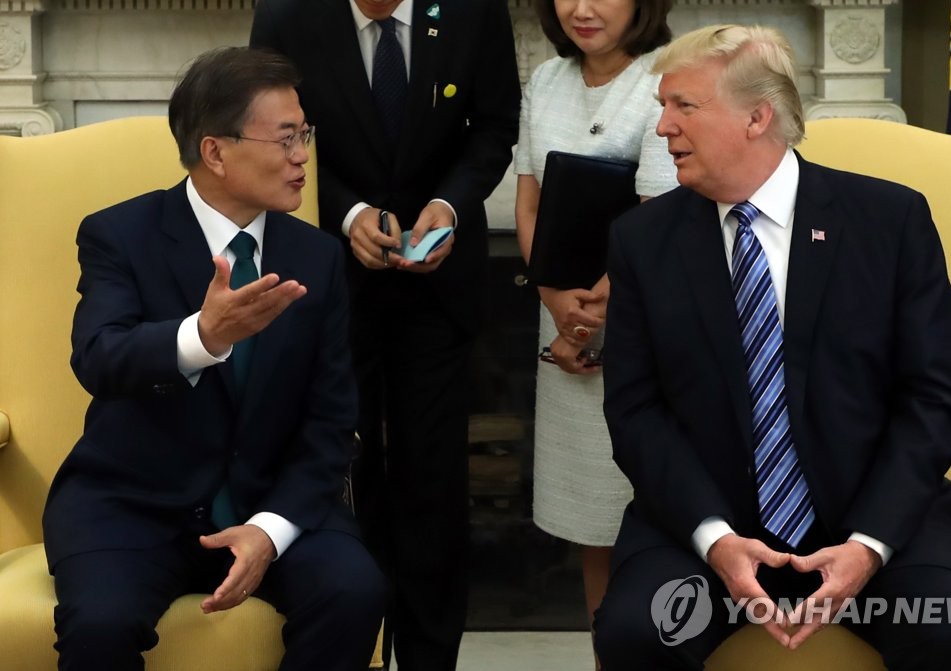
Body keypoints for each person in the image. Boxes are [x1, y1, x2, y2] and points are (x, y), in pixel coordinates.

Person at [593, 24, 951, 670]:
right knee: (637, 632)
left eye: (683, 106)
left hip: (875, 520)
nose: (663, 126)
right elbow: (635, 411)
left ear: (757, 117)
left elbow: (935, 399)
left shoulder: (890, 222)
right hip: (707, 530)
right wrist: (716, 540)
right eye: (662, 106)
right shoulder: (642, 241)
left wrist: (867, 546)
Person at [42, 47, 385, 670]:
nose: (303, 157)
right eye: (285, 139)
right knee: (101, 625)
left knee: (354, 592)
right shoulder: (120, 234)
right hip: (133, 505)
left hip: (271, 499)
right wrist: (202, 336)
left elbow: (332, 420)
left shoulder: (317, 257)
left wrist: (270, 530)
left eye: (305, 135)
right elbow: (98, 357)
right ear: (216, 152)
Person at [249, 2, 520, 669]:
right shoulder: (287, 14)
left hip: (440, 281)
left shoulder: (473, 11)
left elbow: (495, 127)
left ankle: (430, 656)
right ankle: (357, 647)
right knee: (345, 472)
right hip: (331, 278)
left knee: (434, 482)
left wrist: (450, 205)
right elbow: (267, 133)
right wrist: (348, 214)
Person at [513, 0, 674, 647]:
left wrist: (581, 324)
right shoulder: (546, 79)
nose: (581, 9)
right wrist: (555, 300)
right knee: (592, 526)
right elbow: (529, 202)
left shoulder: (667, 76)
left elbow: (656, 222)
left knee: (648, 518)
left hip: (639, 322)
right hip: (559, 320)